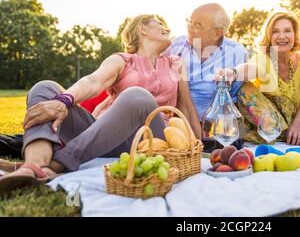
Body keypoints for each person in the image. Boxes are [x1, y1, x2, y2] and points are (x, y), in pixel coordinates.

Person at [0, 14, 201, 195]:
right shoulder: (121, 60)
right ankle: (33, 166)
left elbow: (186, 107)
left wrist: (197, 145)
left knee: (138, 96)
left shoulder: (176, 63)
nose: (167, 29)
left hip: (149, 138)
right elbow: (93, 81)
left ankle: (58, 163)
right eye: (161, 24)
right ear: (143, 28)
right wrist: (63, 101)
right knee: (44, 88)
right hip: (102, 135)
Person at [215, 10, 300, 146]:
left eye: (287, 31)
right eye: (275, 32)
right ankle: (277, 134)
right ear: (269, 36)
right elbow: (251, 68)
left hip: (298, 123)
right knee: (244, 88)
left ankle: (282, 135)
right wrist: (233, 72)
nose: (282, 36)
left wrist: (298, 123)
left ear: (295, 34)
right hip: (270, 124)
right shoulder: (264, 59)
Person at [165, 3, 248, 138]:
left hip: (220, 130)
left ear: (217, 33)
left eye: (197, 25)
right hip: (179, 127)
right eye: (189, 22)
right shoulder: (175, 46)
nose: (189, 29)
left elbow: (256, 72)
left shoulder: (236, 52)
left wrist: (234, 73)